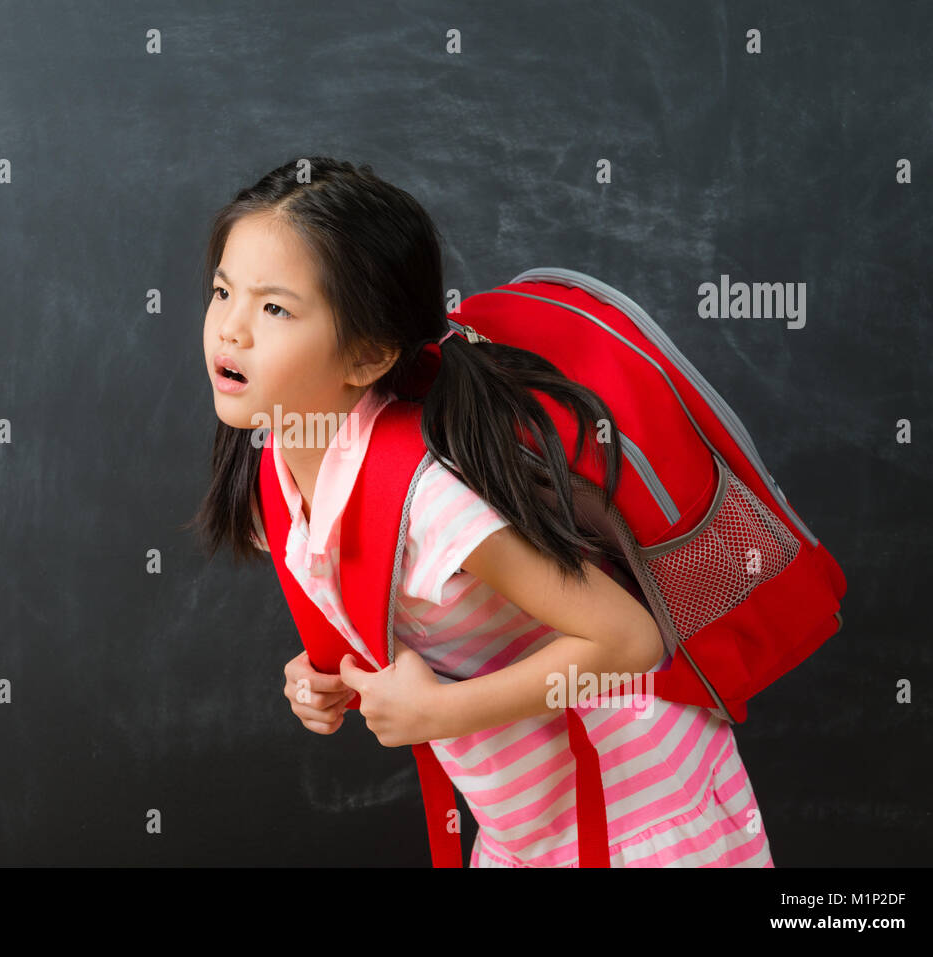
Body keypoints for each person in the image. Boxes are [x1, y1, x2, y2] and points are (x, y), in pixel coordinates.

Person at [186, 156, 773, 867]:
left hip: (638, 810)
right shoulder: (278, 469)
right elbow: (403, 615)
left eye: (274, 307)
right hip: (523, 825)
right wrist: (324, 676)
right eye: (223, 292)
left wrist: (438, 714)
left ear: (368, 356)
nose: (232, 329)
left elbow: (628, 639)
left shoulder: (432, 503)